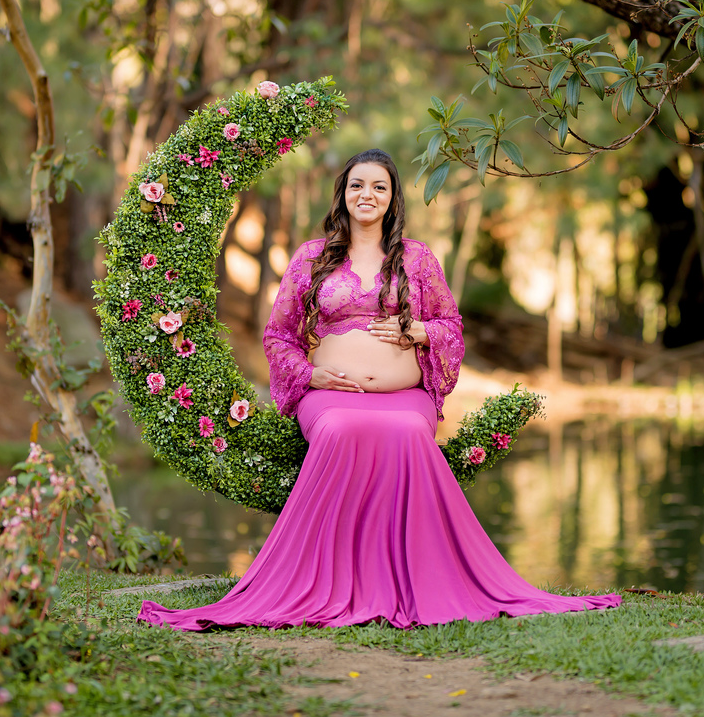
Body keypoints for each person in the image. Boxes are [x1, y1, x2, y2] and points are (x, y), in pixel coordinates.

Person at [137, 149, 621, 630]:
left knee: (411, 433)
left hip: (404, 399)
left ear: (392, 200)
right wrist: (309, 375)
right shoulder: (312, 257)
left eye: (378, 187)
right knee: (341, 430)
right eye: (356, 185)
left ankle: (415, 578)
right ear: (342, 195)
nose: (366, 194)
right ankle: (330, 578)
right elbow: (278, 335)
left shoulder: (417, 258)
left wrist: (417, 333)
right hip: (329, 396)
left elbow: (450, 325)